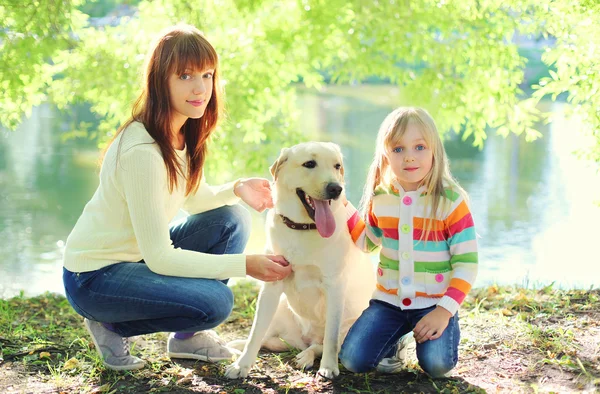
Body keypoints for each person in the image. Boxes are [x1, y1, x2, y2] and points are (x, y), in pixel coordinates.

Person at [62, 24, 292, 371]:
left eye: (207, 74)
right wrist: (246, 265)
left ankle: (188, 338)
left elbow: (194, 200)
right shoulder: (142, 150)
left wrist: (237, 189)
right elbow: (160, 258)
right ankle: (109, 325)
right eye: (185, 76)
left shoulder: (179, 132)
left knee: (231, 219)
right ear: (160, 81)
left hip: (134, 258)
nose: (200, 88)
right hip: (95, 277)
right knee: (216, 303)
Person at [339, 107, 478, 378]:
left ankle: (441, 328)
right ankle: (394, 342)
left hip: (434, 303)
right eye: (398, 149)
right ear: (385, 155)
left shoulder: (450, 201)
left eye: (419, 147)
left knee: (437, 366)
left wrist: (444, 310)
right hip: (388, 302)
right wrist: (343, 206)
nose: (410, 157)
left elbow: (467, 265)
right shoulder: (381, 197)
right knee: (353, 360)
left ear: (434, 151)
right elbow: (368, 243)